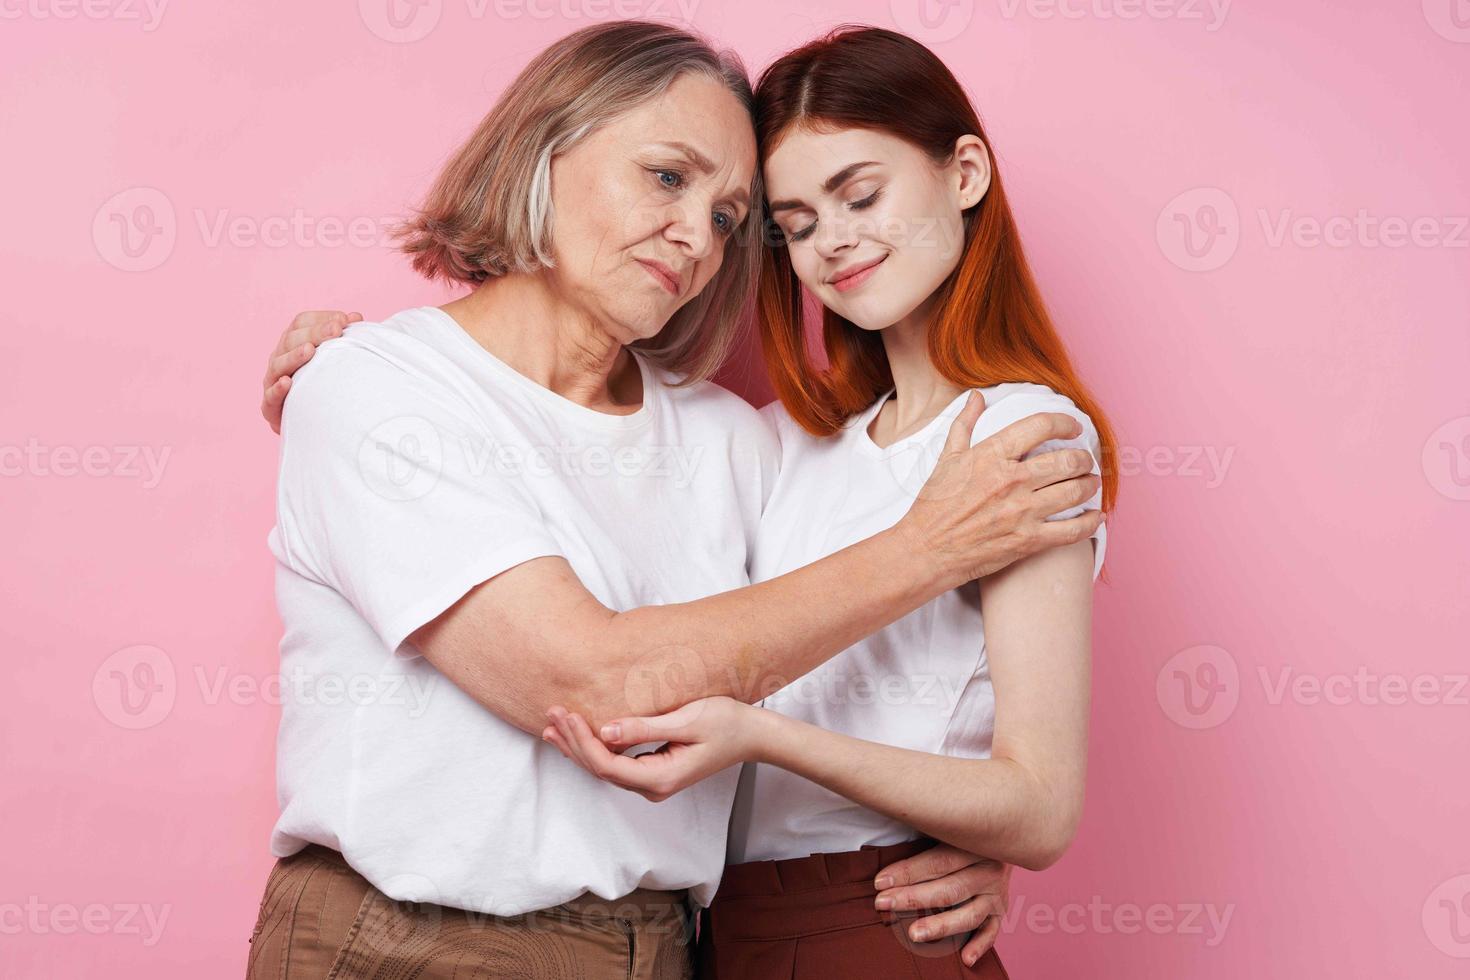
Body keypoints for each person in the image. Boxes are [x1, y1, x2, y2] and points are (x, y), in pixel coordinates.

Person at [247, 20, 1102, 980]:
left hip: (670, 947)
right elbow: (596, 688)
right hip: (416, 941)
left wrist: (955, 837)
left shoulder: (737, 440)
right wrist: (931, 545)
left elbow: (897, 701)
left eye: (734, 218)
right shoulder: (381, 388)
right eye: (667, 177)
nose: (699, 238)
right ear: (545, 148)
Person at [542, 25, 1116, 979]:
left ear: (964, 172)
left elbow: (1040, 807)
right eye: (796, 224)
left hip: (877, 925)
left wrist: (762, 735)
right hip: (724, 936)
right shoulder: (788, 446)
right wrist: (367, 358)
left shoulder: (1023, 435)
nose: (834, 243)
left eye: (861, 194)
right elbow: (572, 424)